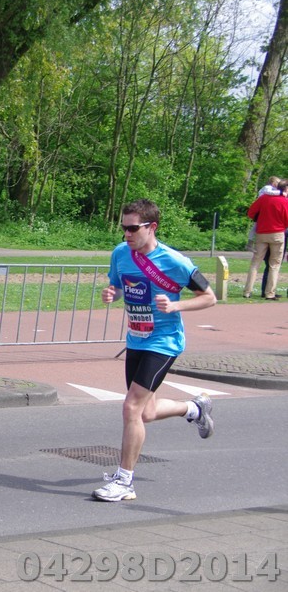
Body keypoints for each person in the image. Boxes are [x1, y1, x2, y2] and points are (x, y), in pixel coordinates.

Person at [94, 198, 216, 502]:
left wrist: (175, 305)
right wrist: (112, 293)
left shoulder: (176, 262)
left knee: (131, 408)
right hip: (136, 338)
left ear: (152, 227)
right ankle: (194, 409)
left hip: (164, 342)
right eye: (123, 228)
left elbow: (209, 297)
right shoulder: (120, 254)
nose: (127, 234)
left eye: (133, 228)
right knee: (145, 412)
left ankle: (124, 481)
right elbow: (118, 286)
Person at [243, 180, 288, 300]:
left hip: (261, 233)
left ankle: (247, 291)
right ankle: (270, 293)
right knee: (274, 265)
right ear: (285, 189)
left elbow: (251, 213)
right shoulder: (284, 201)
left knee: (255, 263)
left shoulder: (264, 198)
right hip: (277, 234)